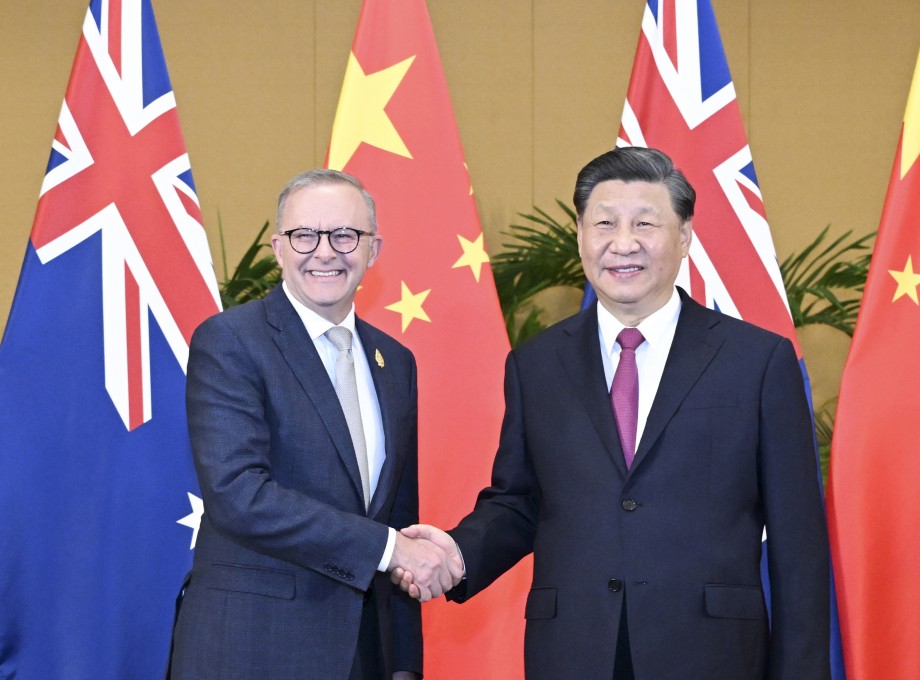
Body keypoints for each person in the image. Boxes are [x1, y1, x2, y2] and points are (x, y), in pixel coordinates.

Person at [397, 147, 830, 679]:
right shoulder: (536, 364)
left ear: (685, 235)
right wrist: (460, 554)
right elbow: (522, 501)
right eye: (604, 223)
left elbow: (798, 542)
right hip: (574, 651)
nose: (623, 244)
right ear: (581, 235)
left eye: (645, 223)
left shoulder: (757, 361)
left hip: (711, 652)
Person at [167, 169, 462, 680]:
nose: (325, 252)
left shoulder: (395, 361)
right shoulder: (231, 341)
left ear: (372, 250)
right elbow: (239, 495)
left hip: (366, 654)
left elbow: (398, 513)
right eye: (305, 235)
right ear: (279, 248)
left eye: (345, 235)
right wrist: (391, 550)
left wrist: (405, 663)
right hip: (252, 650)